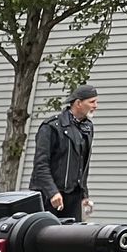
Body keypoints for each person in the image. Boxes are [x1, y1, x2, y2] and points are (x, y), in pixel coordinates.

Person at [32, 85, 99, 223]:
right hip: (49, 197)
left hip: (73, 198)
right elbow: (40, 165)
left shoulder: (87, 128)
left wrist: (84, 195)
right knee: (47, 240)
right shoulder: (51, 127)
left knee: (72, 240)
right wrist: (52, 192)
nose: (96, 106)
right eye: (92, 102)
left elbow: (83, 164)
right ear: (78, 103)